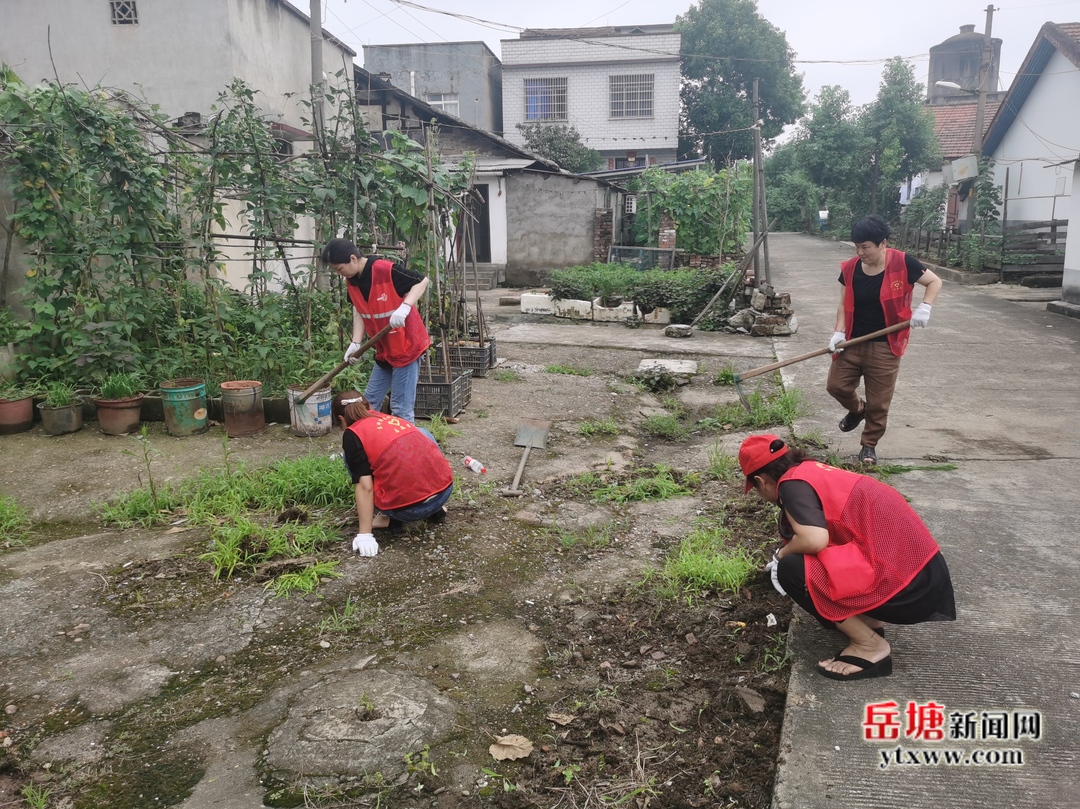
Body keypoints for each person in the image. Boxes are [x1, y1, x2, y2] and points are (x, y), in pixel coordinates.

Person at [740, 433, 955, 681]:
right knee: (813, 559)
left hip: (909, 589)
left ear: (760, 480)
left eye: (754, 489)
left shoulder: (791, 486)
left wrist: (781, 555)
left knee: (793, 569)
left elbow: (814, 539)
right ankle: (869, 621)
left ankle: (869, 645)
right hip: (922, 575)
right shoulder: (810, 471)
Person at [826, 214, 942, 465]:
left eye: (865, 246)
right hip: (852, 341)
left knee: (879, 401)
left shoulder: (903, 263)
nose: (860, 252)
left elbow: (934, 282)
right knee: (836, 386)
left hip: (886, 344)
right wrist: (839, 331)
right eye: (856, 246)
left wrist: (925, 307)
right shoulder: (849, 268)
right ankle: (857, 410)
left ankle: (869, 445)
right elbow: (842, 303)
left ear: (883, 244)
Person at [321, 238, 431, 424]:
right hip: (385, 350)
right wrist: (356, 343)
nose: (339, 274)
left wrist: (405, 307)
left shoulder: (384, 270)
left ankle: (405, 451)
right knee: (367, 404)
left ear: (353, 259)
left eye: (339, 269)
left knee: (400, 408)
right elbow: (359, 309)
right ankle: (366, 447)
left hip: (406, 347)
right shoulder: (352, 280)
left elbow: (422, 281)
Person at [333, 390, 453, 558]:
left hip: (407, 511)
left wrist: (364, 534)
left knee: (351, 457)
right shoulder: (387, 418)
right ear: (369, 407)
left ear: (341, 418)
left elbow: (365, 487)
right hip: (444, 492)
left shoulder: (353, 434)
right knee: (421, 433)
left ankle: (388, 517)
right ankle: (435, 508)